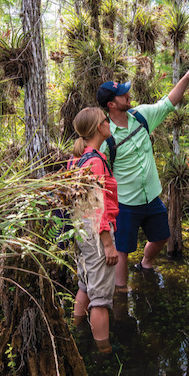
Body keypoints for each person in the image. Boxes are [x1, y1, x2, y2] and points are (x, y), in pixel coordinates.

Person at [97, 57, 189, 292]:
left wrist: (186, 77)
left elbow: (168, 103)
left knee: (162, 237)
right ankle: (122, 293)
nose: (127, 94)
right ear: (111, 105)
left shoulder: (142, 116)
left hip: (152, 197)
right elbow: (97, 173)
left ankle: (146, 263)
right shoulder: (106, 137)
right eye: (122, 94)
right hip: (125, 203)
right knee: (122, 250)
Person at [68, 107, 119, 353]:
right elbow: (98, 206)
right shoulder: (96, 161)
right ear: (99, 127)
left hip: (80, 228)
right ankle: (104, 353)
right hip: (96, 232)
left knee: (85, 285)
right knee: (100, 298)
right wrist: (107, 243)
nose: (109, 123)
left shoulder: (77, 158)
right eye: (106, 120)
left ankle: (77, 335)